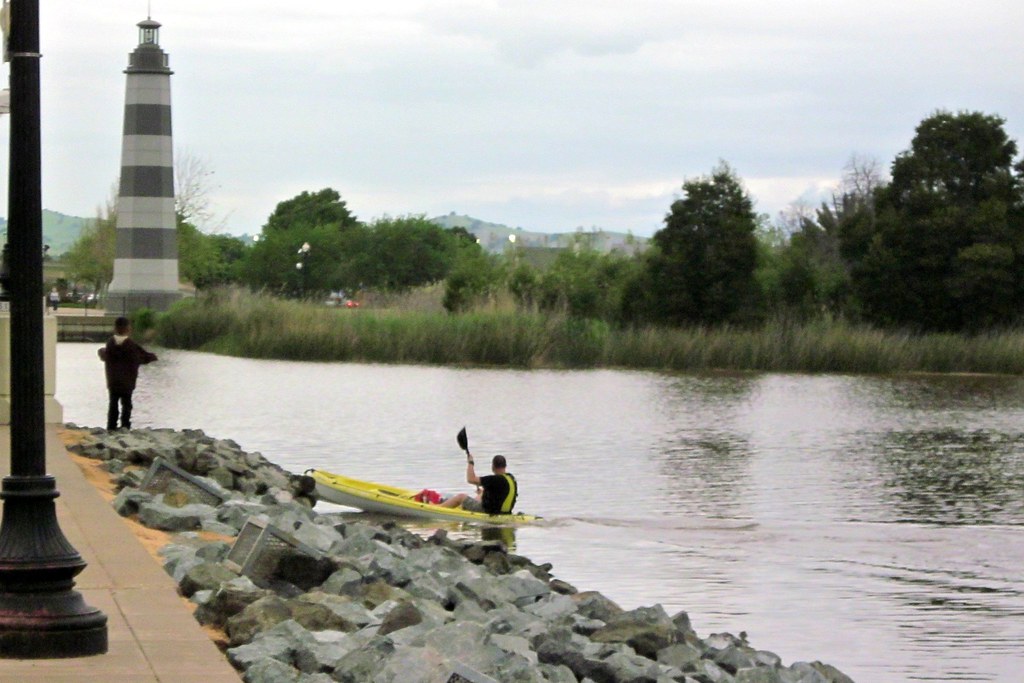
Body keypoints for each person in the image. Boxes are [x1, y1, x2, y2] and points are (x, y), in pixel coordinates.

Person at [98, 317, 157, 431]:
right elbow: (141, 357)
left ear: (115, 328)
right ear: (127, 328)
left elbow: (104, 354)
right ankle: (125, 426)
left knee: (113, 404)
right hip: (127, 381)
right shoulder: (131, 345)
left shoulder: (110, 343)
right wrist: (152, 357)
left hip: (113, 381)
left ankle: (111, 426)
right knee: (127, 404)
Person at [439, 450, 518, 514]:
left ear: (493, 466)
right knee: (482, 492)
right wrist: (483, 492)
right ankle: (463, 506)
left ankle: (438, 509)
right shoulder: (511, 478)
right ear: (505, 466)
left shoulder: (495, 479)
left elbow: (471, 479)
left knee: (461, 496)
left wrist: (470, 463)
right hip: (505, 512)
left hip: (489, 512)